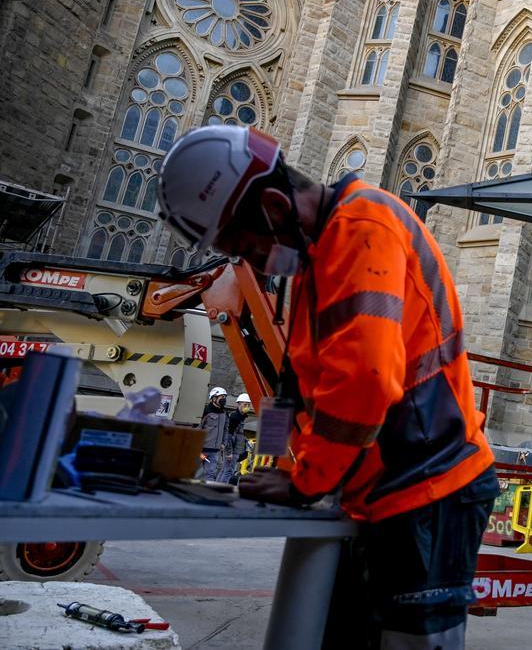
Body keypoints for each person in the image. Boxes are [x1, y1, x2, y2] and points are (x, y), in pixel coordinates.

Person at [158, 125, 497, 649]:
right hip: (378, 492)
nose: (249, 261)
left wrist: (304, 484)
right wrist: (274, 463)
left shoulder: (366, 227)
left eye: (243, 245)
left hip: (431, 491)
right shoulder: (315, 264)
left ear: (274, 206)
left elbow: (364, 381)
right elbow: (290, 385)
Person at [219, 393, 253, 483]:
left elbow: (238, 434)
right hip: (231, 450)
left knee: (224, 470)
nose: (247, 406)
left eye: (248, 404)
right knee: (228, 472)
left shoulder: (241, 417)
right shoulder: (235, 417)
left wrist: (246, 441)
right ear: (238, 404)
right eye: (245, 404)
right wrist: (228, 452)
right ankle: (220, 490)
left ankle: (215, 486)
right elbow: (228, 436)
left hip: (235, 449)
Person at [198, 387, 229, 481]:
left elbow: (225, 430)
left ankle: (206, 493)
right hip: (201, 449)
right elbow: (198, 428)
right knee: (192, 471)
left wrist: (224, 443)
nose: (223, 399)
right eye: (221, 396)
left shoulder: (224, 413)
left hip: (214, 451)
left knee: (210, 474)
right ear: (214, 398)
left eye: (224, 397)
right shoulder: (206, 410)